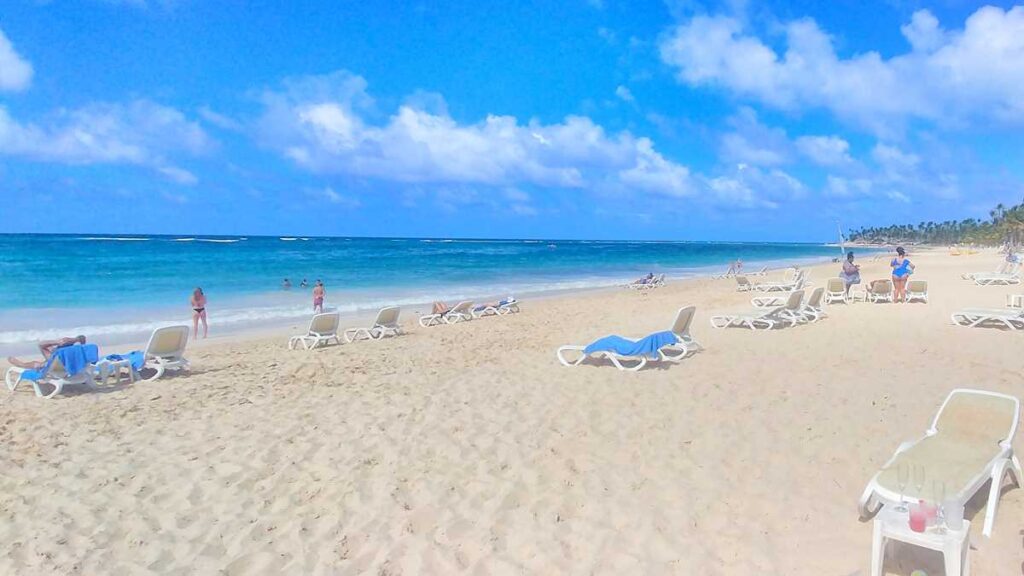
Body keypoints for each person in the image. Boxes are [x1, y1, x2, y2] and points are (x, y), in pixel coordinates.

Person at [7, 335, 87, 369]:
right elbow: (82, 338)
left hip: (58, 366)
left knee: (38, 364)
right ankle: (70, 340)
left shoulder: (55, 360)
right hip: (71, 362)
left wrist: (56, 342)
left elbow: (40, 344)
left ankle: (21, 364)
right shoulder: (81, 352)